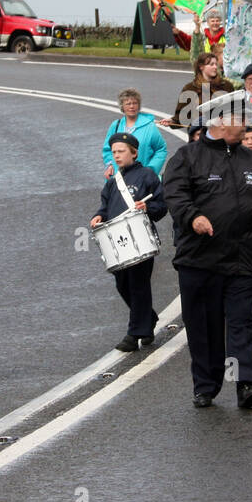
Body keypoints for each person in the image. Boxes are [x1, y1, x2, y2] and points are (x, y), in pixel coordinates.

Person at [164, 104, 252, 408]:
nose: (246, 125)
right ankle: (206, 385)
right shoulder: (188, 157)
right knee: (204, 326)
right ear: (219, 122)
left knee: (241, 321)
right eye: (240, 119)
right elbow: (175, 194)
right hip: (199, 259)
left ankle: (246, 384)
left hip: (244, 257)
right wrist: (192, 218)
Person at [91, 133, 167, 351]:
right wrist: (99, 216)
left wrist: (148, 208)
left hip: (140, 240)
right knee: (122, 284)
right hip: (117, 243)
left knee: (138, 286)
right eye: (114, 152)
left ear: (133, 152)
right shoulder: (113, 181)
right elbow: (105, 206)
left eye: (121, 151)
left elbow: (162, 205)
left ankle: (135, 333)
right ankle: (148, 318)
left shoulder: (147, 175)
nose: (117, 155)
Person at [101, 88, 167, 179]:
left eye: (135, 103)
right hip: (118, 179)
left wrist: (151, 170)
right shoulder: (116, 125)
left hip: (142, 179)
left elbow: (161, 149)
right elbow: (107, 149)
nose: (132, 106)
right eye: (128, 104)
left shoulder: (149, 126)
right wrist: (110, 165)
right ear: (122, 107)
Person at [167, 52, 235, 130]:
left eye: (216, 64)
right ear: (201, 67)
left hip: (222, 132)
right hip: (198, 134)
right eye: (211, 64)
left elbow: (235, 109)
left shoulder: (226, 86)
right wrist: (172, 121)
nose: (215, 67)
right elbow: (183, 116)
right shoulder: (190, 88)